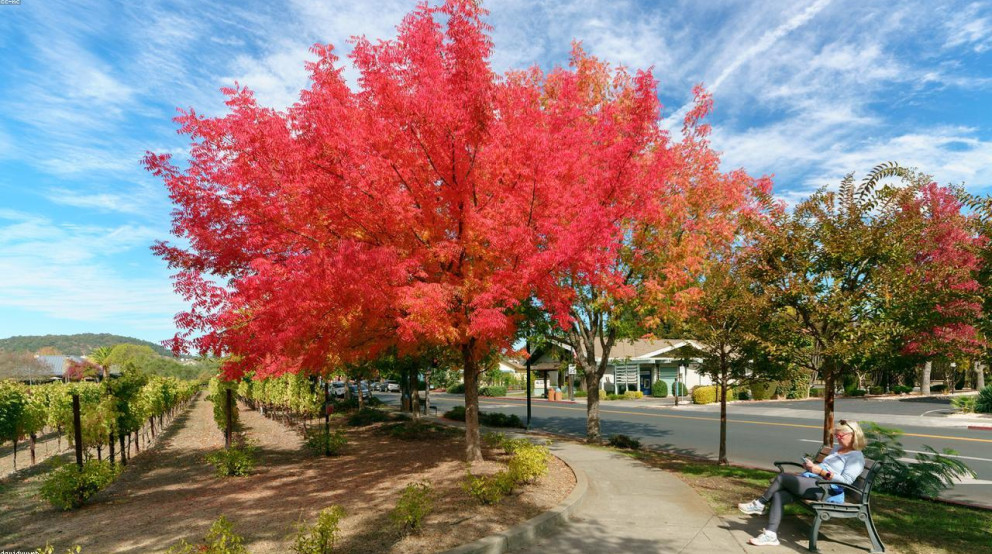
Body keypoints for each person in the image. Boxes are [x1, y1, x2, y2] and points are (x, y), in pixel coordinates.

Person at [738, 419, 867, 547]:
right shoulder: (838, 449)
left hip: (828, 491)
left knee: (782, 478)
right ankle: (770, 535)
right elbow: (826, 467)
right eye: (836, 435)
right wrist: (812, 467)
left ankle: (760, 504)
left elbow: (846, 481)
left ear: (853, 435)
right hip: (815, 483)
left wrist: (821, 472)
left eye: (841, 435)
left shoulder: (856, 457)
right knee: (779, 495)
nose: (838, 438)